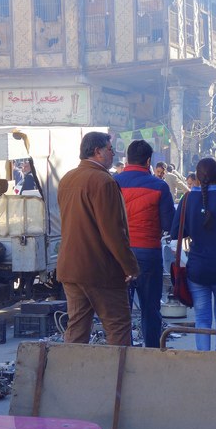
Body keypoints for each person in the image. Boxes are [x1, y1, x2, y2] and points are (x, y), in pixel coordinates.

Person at [57, 132, 139, 347]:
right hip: (100, 268)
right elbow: (113, 232)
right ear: (97, 151)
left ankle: (70, 375)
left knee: (77, 327)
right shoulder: (103, 181)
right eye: (110, 149)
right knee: (118, 327)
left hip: (71, 267)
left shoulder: (67, 179)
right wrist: (130, 266)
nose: (113, 153)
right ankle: (118, 378)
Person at [171, 158, 216, 351]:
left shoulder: (187, 200)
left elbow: (175, 231)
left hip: (197, 269)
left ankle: (204, 359)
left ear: (197, 176)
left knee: (202, 318)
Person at [114, 139, 175, 348]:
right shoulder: (159, 186)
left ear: (127, 158)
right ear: (148, 161)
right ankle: (150, 352)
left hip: (118, 254)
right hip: (149, 253)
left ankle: (124, 353)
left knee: (121, 311)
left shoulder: (113, 183)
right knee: (150, 309)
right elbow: (169, 223)